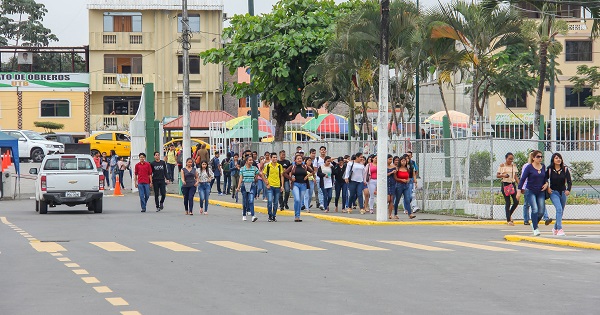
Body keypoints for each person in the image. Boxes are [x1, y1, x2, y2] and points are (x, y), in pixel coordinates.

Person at [518, 150, 549, 236]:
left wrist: (546, 184)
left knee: (541, 211)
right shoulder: (529, 167)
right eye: (538, 157)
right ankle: (535, 228)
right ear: (533, 158)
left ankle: (534, 223)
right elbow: (523, 179)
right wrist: (519, 190)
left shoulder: (543, 167)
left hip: (541, 191)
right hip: (530, 191)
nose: (540, 158)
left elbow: (545, 178)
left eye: (541, 157)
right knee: (534, 209)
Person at [546, 153, 572, 236]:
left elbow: (569, 181)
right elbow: (544, 179)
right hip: (553, 192)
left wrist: (568, 190)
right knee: (559, 208)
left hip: (563, 192)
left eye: (559, 158)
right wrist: (548, 187)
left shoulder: (565, 169)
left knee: (561, 211)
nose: (558, 159)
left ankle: (555, 228)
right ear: (553, 160)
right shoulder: (549, 169)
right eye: (556, 158)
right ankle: (560, 229)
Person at [285, 154, 310, 222]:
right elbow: (284, 173)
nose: (299, 160)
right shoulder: (293, 167)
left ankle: (298, 216)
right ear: (295, 160)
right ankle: (296, 215)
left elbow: (313, 171)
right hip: (295, 184)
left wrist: (307, 176)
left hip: (303, 185)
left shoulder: (305, 166)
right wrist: (290, 178)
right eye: (298, 158)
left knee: (300, 201)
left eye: (300, 158)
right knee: (297, 199)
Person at [496, 152, 520, 225]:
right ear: (506, 158)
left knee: (516, 201)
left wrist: (520, 184)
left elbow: (515, 176)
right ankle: (508, 220)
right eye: (509, 159)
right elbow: (497, 175)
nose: (510, 161)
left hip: (512, 184)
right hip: (505, 184)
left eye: (512, 159)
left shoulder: (513, 166)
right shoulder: (502, 166)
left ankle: (509, 214)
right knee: (508, 202)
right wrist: (503, 175)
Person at [237, 155, 262, 222]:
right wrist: (238, 187)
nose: (251, 161)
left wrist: (266, 181)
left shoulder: (254, 168)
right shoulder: (242, 169)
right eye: (250, 160)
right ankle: (244, 215)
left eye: (252, 160)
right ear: (246, 161)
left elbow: (260, 174)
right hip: (244, 185)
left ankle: (253, 216)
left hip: (252, 185)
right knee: (245, 201)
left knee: (251, 200)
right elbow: (240, 178)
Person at [263, 153, 284, 222]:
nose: (275, 159)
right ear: (271, 158)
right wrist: (266, 182)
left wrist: (282, 186)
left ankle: (274, 215)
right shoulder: (268, 166)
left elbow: (281, 176)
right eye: (273, 157)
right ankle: (270, 215)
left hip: (277, 186)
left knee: (275, 202)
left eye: (276, 157)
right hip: (270, 186)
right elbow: (263, 174)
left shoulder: (279, 166)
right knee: (269, 201)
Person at [394, 155, 416, 219]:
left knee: (407, 199)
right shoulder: (397, 169)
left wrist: (408, 180)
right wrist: (401, 180)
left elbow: (409, 176)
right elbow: (395, 177)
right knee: (397, 200)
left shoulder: (407, 169)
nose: (404, 162)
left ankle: (410, 213)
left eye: (405, 161)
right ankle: (395, 213)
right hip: (399, 185)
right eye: (402, 161)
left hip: (406, 185)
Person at [386, 155, 398, 219]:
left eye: (391, 159)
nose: (390, 161)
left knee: (391, 200)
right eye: (389, 159)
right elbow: (384, 174)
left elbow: (396, 176)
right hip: (386, 184)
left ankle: (390, 214)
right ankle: (383, 210)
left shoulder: (394, 167)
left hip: (393, 184)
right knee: (388, 199)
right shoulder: (383, 167)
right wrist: (391, 172)